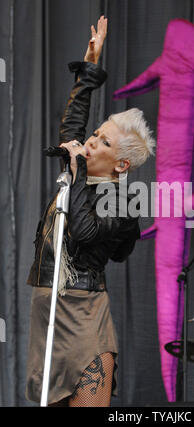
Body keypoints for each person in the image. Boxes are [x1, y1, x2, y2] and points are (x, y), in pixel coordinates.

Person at [25, 16, 155, 407]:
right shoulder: (79, 172)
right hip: (48, 307)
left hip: (84, 312)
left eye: (102, 142)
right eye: (95, 135)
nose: (90, 142)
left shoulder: (124, 199)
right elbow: (73, 125)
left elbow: (83, 231)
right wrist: (89, 71)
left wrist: (78, 166)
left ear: (121, 165)